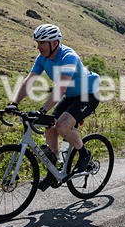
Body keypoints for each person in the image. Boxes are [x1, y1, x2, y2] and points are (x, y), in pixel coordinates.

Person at [7, 23, 101, 190]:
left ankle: (84, 154)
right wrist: (14, 103)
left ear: (54, 42)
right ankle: (54, 172)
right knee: (50, 128)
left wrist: (42, 110)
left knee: (62, 126)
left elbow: (61, 88)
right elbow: (29, 80)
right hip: (71, 95)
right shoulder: (42, 58)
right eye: (37, 42)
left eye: (42, 43)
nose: (38, 47)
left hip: (89, 93)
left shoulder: (68, 56)